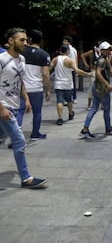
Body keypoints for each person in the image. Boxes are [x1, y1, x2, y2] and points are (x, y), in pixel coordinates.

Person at [0, 28, 47, 188]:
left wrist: (26, 99)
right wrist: (2, 108)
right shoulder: (2, 60)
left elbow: (20, 81)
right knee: (19, 141)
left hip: (12, 106)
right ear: (11, 41)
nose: (25, 43)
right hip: (3, 107)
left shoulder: (21, 60)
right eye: (22, 40)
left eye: (26, 40)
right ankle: (26, 178)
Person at [16, 29, 51, 140]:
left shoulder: (22, 51)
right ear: (41, 41)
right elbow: (45, 74)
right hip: (36, 88)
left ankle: (17, 135)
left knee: (20, 112)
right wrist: (48, 89)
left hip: (22, 88)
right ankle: (35, 133)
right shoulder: (44, 54)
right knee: (37, 112)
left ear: (29, 39)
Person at [80, 41, 112, 138]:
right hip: (102, 88)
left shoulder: (104, 60)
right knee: (106, 109)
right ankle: (108, 128)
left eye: (110, 49)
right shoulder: (102, 61)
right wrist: (107, 85)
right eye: (107, 49)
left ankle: (85, 128)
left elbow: (110, 72)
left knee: (94, 108)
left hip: (96, 87)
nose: (109, 51)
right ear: (102, 51)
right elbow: (98, 73)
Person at [49, 44, 92, 125]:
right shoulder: (69, 60)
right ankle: (70, 114)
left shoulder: (55, 59)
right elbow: (77, 70)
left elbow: (49, 69)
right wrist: (87, 74)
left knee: (59, 101)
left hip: (58, 83)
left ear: (60, 51)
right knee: (69, 100)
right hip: (68, 84)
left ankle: (60, 118)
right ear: (68, 51)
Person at [80, 42, 100, 110]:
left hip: (100, 71)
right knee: (91, 88)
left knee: (100, 88)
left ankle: (101, 104)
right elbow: (82, 55)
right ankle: (89, 105)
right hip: (93, 71)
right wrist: (85, 64)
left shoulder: (102, 52)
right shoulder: (92, 52)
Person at [62, 35, 78, 104]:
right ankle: (74, 98)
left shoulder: (67, 50)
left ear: (68, 42)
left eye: (65, 41)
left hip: (67, 69)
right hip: (73, 69)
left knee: (67, 84)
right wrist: (76, 68)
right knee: (73, 84)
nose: (63, 42)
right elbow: (76, 59)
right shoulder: (74, 49)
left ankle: (66, 99)